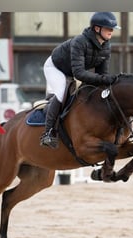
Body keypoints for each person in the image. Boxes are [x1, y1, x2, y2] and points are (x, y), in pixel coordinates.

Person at [40, 12, 120, 149]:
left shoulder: (106, 46)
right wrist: (103, 78)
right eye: (108, 28)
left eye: (112, 29)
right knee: (61, 92)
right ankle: (48, 133)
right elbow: (79, 73)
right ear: (97, 29)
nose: (111, 31)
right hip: (56, 67)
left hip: (72, 71)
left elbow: (102, 75)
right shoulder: (80, 42)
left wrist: (106, 81)